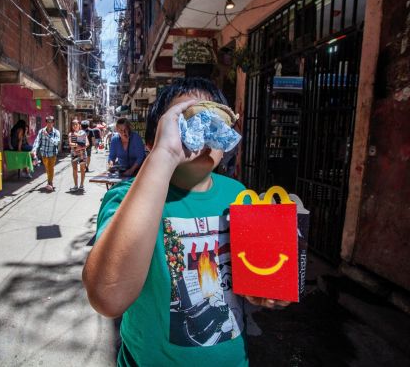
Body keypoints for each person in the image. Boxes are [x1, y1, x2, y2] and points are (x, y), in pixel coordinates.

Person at [82, 77, 290, 366]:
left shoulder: (239, 195)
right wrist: (166, 154)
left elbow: (243, 279)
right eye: (188, 121)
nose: (203, 136)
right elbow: (107, 297)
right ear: (154, 141)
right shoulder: (126, 199)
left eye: (215, 123)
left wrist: (262, 290)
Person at [33, 115, 60, 191]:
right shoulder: (41, 131)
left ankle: (50, 183)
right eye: (48, 121)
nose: (49, 123)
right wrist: (34, 150)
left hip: (52, 153)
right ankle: (50, 181)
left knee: (51, 168)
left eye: (51, 121)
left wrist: (47, 136)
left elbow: (56, 143)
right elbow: (37, 141)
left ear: (53, 123)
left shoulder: (56, 132)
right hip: (44, 153)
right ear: (46, 122)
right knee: (47, 168)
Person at [68, 119, 89, 192]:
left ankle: (81, 185)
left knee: (82, 169)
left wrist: (80, 147)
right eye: (73, 124)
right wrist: (79, 145)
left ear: (79, 125)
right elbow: (70, 144)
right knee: (74, 169)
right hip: (74, 154)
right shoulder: (71, 134)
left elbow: (87, 143)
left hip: (82, 153)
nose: (74, 126)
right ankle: (76, 185)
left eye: (76, 124)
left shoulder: (83, 133)